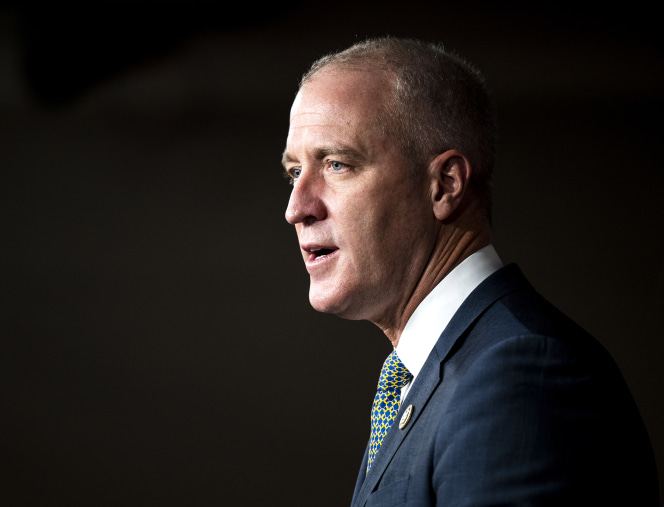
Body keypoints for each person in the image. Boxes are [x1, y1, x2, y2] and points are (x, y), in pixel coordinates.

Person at [281, 37, 658, 506]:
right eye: (294, 172)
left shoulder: (517, 374)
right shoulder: (430, 375)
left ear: (445, 185)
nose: (297, 209)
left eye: (337, 164)